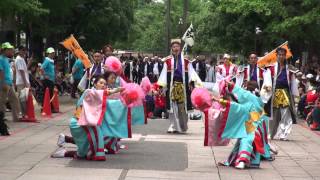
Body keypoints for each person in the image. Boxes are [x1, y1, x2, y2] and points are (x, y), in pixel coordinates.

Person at [52, 75, 124, 160]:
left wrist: (125, 99)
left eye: (104, 84)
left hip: (88, 123)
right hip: (79, 123)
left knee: (94, 144)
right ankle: (64, 152)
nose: (103, 85)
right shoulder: (89, 91)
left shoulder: (100, 96)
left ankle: (65, 141)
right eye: (100, 83)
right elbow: (100, 94)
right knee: (86, 151)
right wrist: (115, 90)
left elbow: (112, 102)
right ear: (95, 84)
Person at [158, 39, 202, 133]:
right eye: (174, 47)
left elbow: (191, 72)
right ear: (171, 48)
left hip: (183, 87)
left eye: (177, 46)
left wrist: (192, 82)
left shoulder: (186, 61)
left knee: (183, 107)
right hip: (172, 86)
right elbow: (164, 74)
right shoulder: (168, 61)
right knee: (172, 107)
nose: (175, 48)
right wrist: (161, 86)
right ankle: (173, 126)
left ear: (180, 48)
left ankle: (183, 126)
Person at [268, 47, 299, 141]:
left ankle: (283, 134)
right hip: (274, 93)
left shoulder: (290, 68)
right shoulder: (271, 68)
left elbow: (293, 83)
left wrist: (295, 96)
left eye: (283, 55)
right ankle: (271, 134)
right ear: (276, 56)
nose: (281, 56)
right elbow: (267, 81)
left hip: (285, 92)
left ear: (285, 56)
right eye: (279, 55)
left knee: (286, 114)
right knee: (274, 115)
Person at [0, 42, 20, 135]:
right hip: (4, 84)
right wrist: (3, 83)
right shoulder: (0, 59)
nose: (11, 51)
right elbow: (1, 72)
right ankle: (2, 120)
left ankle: (16, 118)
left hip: (9, 83)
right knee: (2, 102)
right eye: (9, 49)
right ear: (4, 50)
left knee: (15, 99)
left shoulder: (6, 59)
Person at [15, 46, 30, 120]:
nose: (24, 52)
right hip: (21, 82)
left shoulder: (22, 59)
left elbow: (24, 70)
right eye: (23, 50)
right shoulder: (19, 59)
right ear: (20, 51)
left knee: (23, 98)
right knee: (22, 98)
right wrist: (25, 82)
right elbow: (21, 71)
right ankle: (22, 114)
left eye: (25, 50)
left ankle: (24, 114)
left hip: (23, 81)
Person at [40, 47, 56, 112]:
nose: (53, 54)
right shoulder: (47, 61)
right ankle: (48, 107)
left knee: (50, 94)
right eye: (51, 53)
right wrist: (45, 76)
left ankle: (48, 107)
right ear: (48, 54)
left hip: (51, 80)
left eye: (53, 53)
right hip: (47, 81)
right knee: (48, 94)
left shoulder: (51, 61)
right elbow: (41, 68)